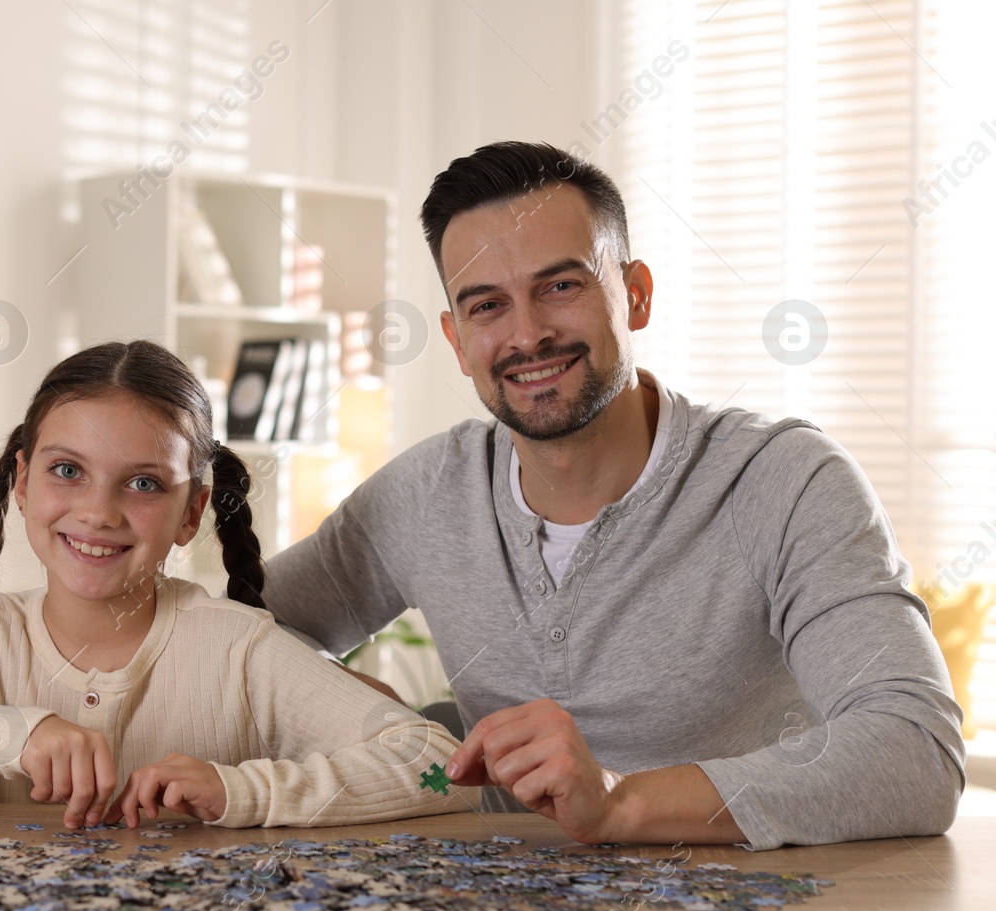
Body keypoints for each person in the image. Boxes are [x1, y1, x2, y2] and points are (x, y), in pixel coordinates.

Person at [261, 141, 964, 850]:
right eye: (487, 306)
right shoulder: (421, 494)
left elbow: (916, 751)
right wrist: (368, 720)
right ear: (456, 338)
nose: (528, 334)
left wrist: (620, 803)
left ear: (635, 294)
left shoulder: (786, 481)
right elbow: (237, 630)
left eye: (560, 287)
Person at [0, 341, 474, 829]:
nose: (98, 511)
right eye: (66, 470)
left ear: (190, 513)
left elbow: (439, 765)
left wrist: (243, 789)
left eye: (144, 483)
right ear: (21, 482)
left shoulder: (237, 650)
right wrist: (2, 734)